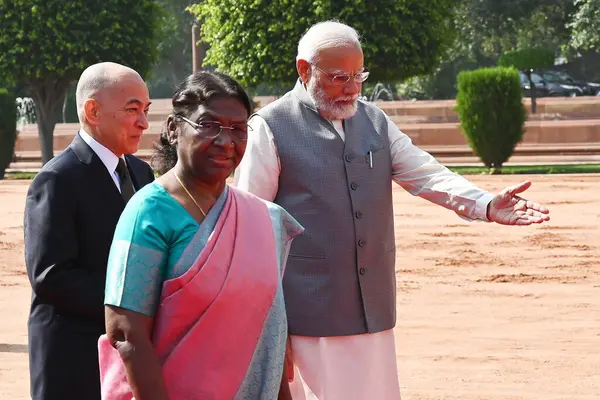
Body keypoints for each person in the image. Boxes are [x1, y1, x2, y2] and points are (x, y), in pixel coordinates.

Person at [234, 21, 551, 400]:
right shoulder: (269, 127)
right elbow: (251, 225)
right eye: (339, 77)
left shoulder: (375, 121)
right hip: (307, 315)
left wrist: (485, 204)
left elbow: (426, 174)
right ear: (304, 70)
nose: (352, 87)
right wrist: (266, 323)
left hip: (373, 306)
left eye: (359, 75)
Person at [98, 71, 303, 400]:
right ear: (173, 128)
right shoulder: (148, 213)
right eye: (209, 125)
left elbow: (271, 333)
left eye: (238, 129)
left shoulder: (264, 219)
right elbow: (126, 333)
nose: (225, 141)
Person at [24, 62, 155, 400]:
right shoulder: (57, 179)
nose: (143, 121)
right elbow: (51, 276)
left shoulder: (142, 174)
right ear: (93, 111)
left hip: (130, 350)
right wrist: (129, 305)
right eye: (132, 109)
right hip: (74, 353)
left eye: (146, 109)